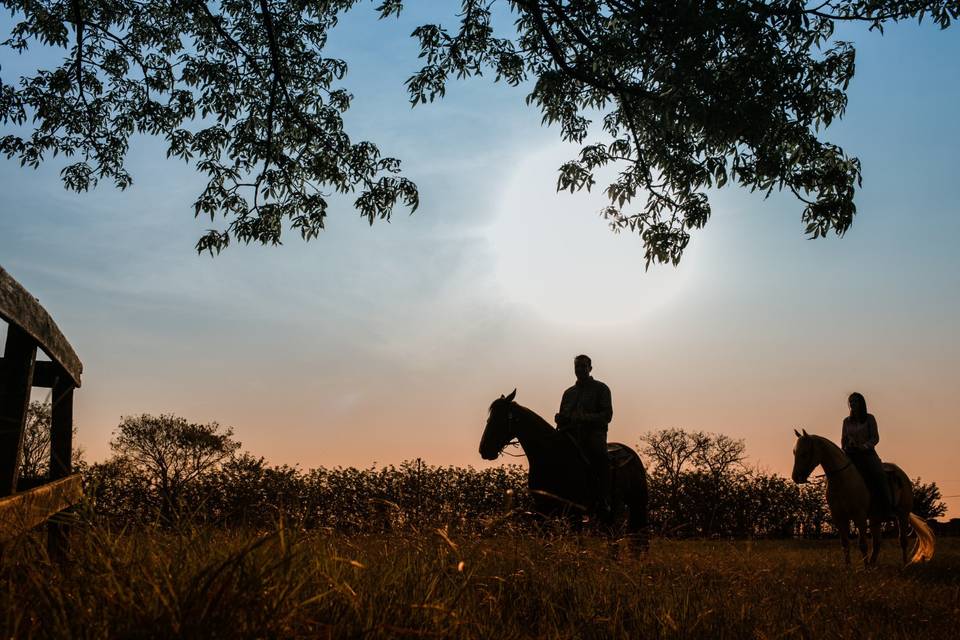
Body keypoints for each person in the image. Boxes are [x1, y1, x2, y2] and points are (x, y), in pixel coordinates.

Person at [555, 354, 613, 519]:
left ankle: (603, 499)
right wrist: (561, 418)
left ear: (590, 368)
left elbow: (606, 415)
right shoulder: (568, 393)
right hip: (570, 434)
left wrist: (583, 418)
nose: (580, 369)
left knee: (599, 456)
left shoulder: (601, 389)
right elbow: (564, 414)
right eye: (577, 367)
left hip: (593, 434)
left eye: (583, 366)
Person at [841, 392, 893, 518]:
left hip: (867, 454)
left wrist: (863, 446)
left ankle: (887, 507)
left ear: (861, 403)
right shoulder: (846, 421)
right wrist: (847, 446)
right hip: (851, 455)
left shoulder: (870, 418)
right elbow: (843, 439)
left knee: (879, 474)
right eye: (851, 402)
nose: (853, 404)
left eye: (855, 401)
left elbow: (875, 438)